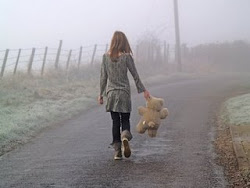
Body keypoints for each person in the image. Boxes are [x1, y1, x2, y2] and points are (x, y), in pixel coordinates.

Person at [98, 31, 150, 160]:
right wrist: (143, 90)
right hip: (124, 93)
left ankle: (117, 152)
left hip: (111, 94)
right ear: (124, 42)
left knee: (115, 121)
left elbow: (103, 77)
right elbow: (135, 74)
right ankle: (125, 135)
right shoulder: (126, 57)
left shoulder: (105, 57)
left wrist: (101, 94)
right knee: (125, 120)